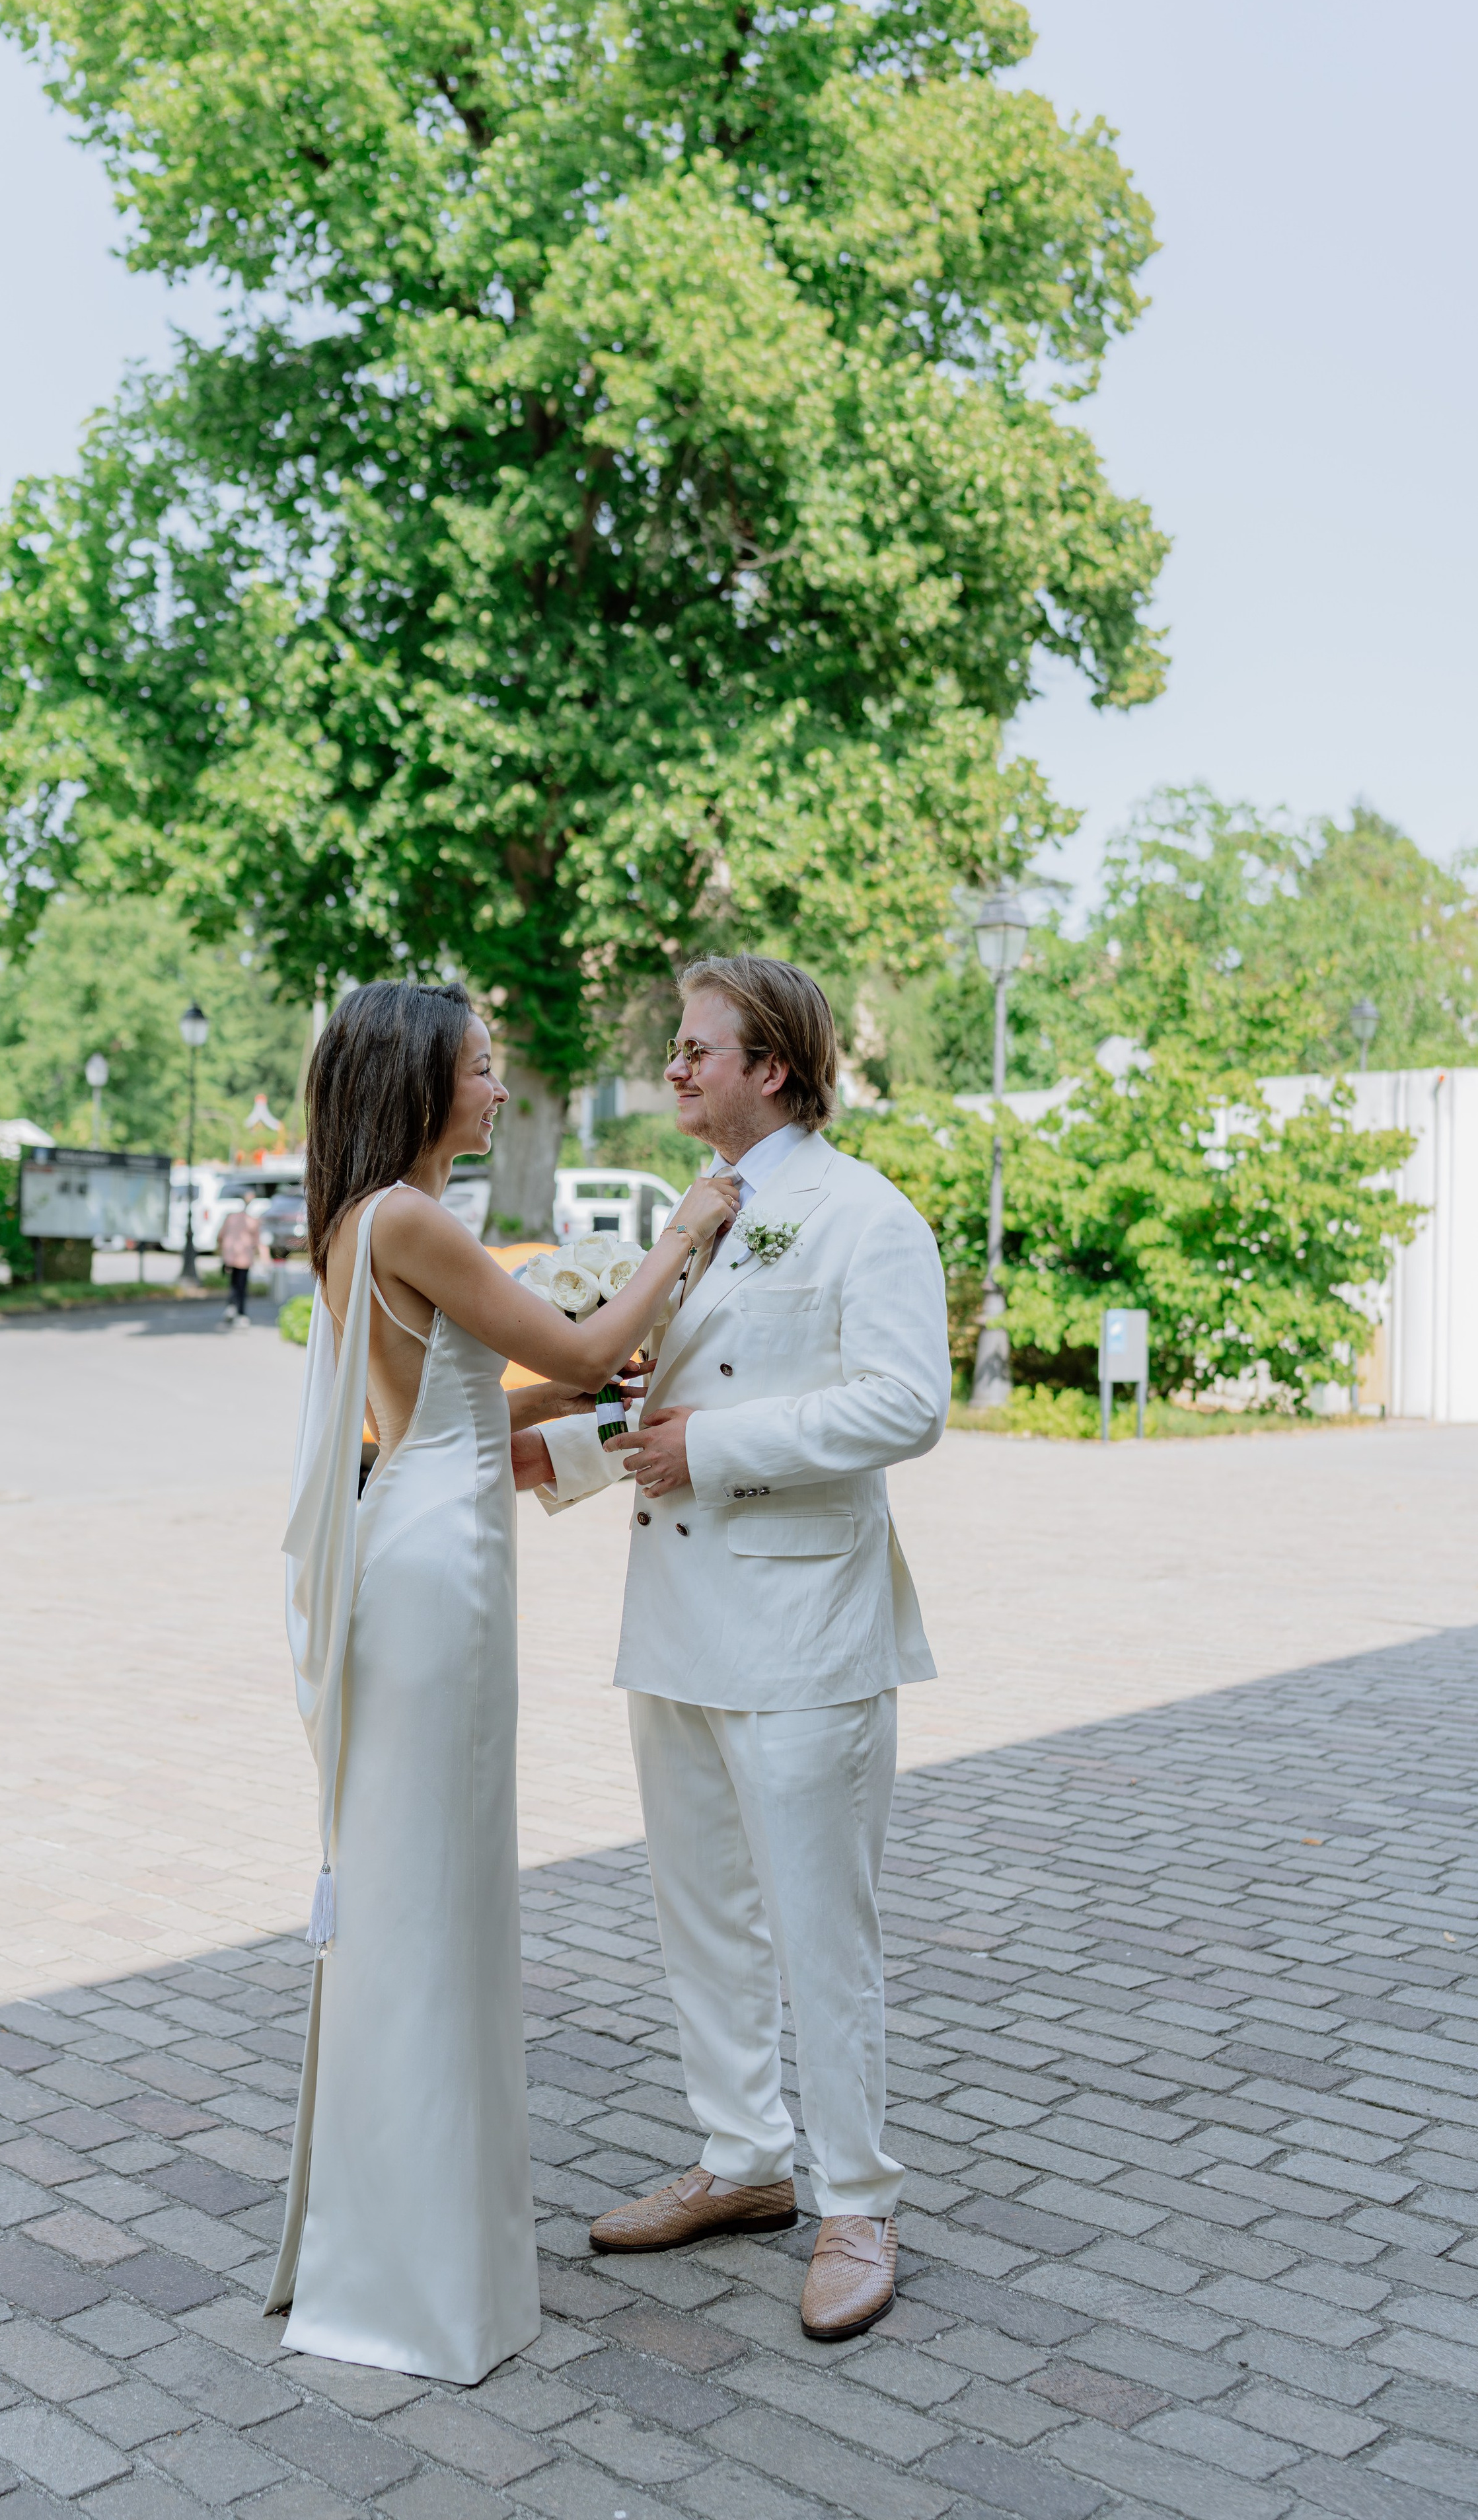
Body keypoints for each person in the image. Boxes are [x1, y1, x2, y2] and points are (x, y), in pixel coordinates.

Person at [266, 980, 740, 2384]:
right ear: (418, 1079)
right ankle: (412, 2277)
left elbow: (471, 1405)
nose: (496, 1087)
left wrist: (589, 1397)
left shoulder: (372, 1222)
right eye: (479, 1068)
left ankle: (413, 2245)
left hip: (429, 1534)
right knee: (434, 1897)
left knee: (433, 1888)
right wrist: (679, 1238)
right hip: (442, 1572)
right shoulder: (408, 1220)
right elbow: (578, 1346)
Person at [519, 955, 950, 2344]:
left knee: (823, 1929)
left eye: (695, 1048)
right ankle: (743, 2159)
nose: (672, 1068)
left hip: (805, 1631)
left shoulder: (862, 1213)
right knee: (698, 1910)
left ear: (771, 1066)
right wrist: (567, 1455)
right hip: (677, 1621)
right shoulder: (698, 1213)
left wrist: (714, 1447)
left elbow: (906, 1405)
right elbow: (666, 1397)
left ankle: (859, 2201)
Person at [216, 1200, 264, 1325]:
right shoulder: (253, 1221)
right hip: (244, 1258)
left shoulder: (231, 1219)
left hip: (230, 1257)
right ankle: (241, 1313)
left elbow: (220, 1236)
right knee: (241, 1286)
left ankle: (231, 1307)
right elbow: (257, 1242)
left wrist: (222, 1250)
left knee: (233, 1284)